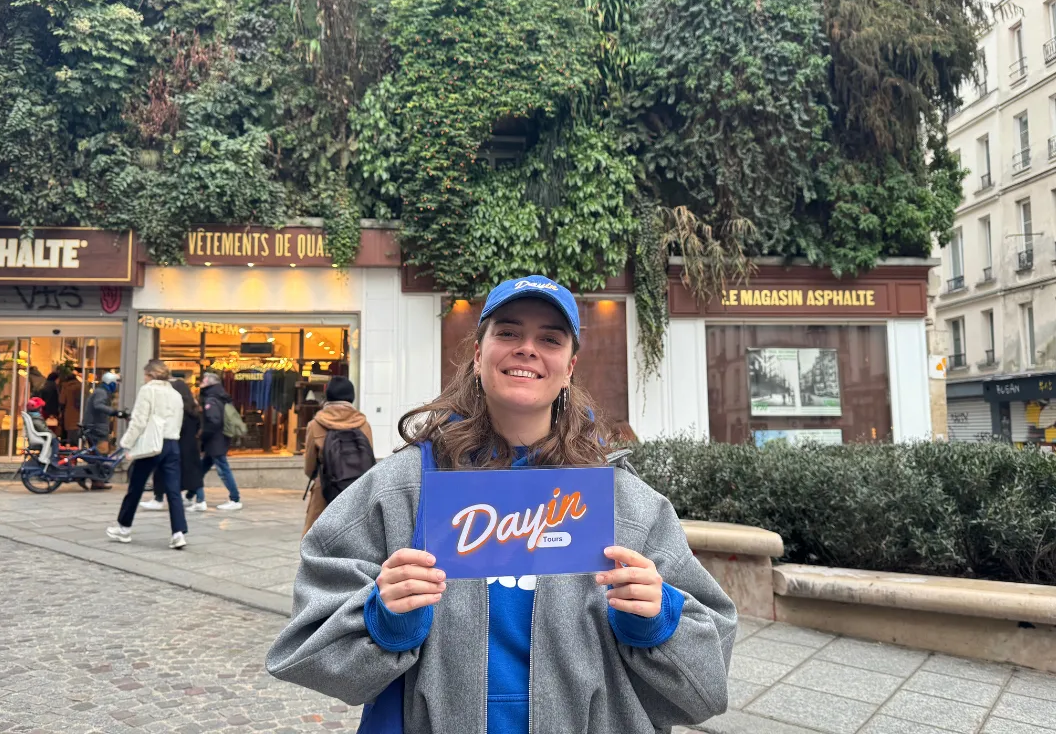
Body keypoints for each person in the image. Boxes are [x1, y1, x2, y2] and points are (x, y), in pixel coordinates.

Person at [266, 275, 736, 733]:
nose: (527, 348)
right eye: (508, 332)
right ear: (478, 355)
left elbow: (705, 688)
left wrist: (658, 620)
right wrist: (382, 619)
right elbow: (310, 641)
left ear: (570, 367)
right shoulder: (401, 489)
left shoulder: (626, 503)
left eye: (549, 339)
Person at [106, 359, 187, 549]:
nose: (144, 378)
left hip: (152, 444)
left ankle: (124, 528)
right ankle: (178, 533)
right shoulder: (176, 394)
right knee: (173, 490)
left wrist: (126, 443)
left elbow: (139, 421)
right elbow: (178, 420)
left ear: (151, 375)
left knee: (136, 485)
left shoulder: (148, 390)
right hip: (172, 443)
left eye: (145, 375)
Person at [301, 376, 374, 537]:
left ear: (328, 396)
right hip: (357, 491)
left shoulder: (315, 424)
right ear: (351, 397)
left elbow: (309, 467)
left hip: (325, 490)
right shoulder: (363, 424)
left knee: (315, 538)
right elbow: (369, 461)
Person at [142, 379, 205, 512]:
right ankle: (200, 500)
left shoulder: (176, 408)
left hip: (175, 443)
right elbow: (199, 427)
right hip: (191, 446)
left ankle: (158, 499)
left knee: (162, 470)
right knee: (193, 473)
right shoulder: (194, 408)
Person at [200, 372, 242, 511]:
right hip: (220, 439)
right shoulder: (221, 395)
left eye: (203, 381)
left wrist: (203, 436)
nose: (201, 383)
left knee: (223, 470)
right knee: (200, 469)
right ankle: (191, 494)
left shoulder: (212, 399)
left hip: (215, 441)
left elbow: (214, 421)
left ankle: (235, 499)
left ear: (209, 383)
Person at [80, 371, 123, 490]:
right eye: (115, 383)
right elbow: (98, 405)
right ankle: (91, 478)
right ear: (110, 383)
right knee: (101, 453)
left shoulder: (101, 391)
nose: (116, 385)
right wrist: (114, 412)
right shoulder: (102, 392)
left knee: (97, 455)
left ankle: (96, 480)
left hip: (95, 426)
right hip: (96, 427)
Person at [58, 368, 84, 447]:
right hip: (80, 413)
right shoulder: (81, 386)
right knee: (77, 434)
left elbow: (62, 400)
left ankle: (71, 450)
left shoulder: (66, 387)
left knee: (70, 433)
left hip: (69, 413)